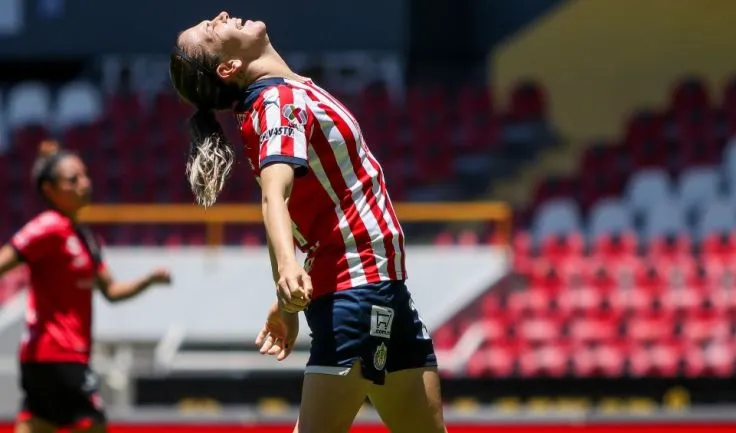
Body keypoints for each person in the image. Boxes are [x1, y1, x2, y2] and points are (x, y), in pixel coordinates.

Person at [169, 11, 447, 433]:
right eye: (211, 28)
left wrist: (287, 306)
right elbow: (274, 196)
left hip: (385, 289)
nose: (221, 15)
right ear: (228, 67)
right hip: (357, 291)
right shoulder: (276, 101)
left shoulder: (285, 95)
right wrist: (286, 270)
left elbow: (287, 205)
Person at [0, 140, 172, 433]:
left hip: (65, 355)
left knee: (39, 424)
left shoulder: (85, 238)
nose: (85, 183)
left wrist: (148, 281)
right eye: (73, 179)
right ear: (49, 190)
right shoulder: (48, 226)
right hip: (55, 354)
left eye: (85, 176)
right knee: (93, 424)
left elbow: (111, 292)